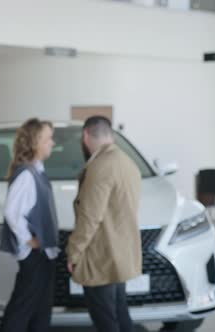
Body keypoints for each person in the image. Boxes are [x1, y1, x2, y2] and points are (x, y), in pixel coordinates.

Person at [66, 116, 142, 332]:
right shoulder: (127, 162)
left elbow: (90, 217)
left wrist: (74, 252)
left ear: (86, 135)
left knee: (106, 321)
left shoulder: (101, 166)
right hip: (120, 254)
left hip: (101, 257)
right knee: (120, 314)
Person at [0, 118, 60, 332]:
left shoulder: (37, 171)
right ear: (36, 142)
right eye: (48, 138)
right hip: (35, 256)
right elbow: (12, 213)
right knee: (21, 310)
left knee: (40, 312)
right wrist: (29, 240)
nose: (52, 143)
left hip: (44, 254)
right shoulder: (27, 174)